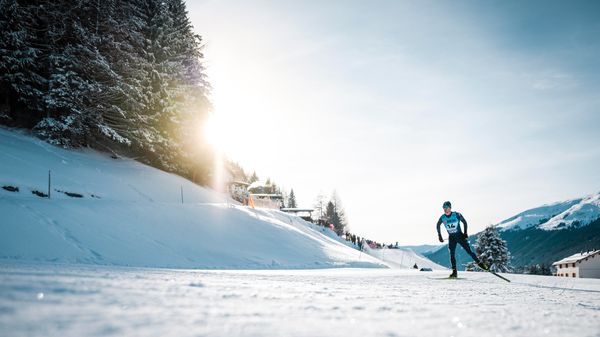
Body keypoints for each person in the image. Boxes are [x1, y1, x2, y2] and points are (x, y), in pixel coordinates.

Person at [436, 201, 488, 278]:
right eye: (444, 208)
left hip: (460, 236)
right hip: (452, 238)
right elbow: (438, 225)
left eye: (446, 208)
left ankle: (481, 264)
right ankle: (454, 272)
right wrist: (439, 235)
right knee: (452, 254)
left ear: (450, 208)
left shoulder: (456, 215)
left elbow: (464, 222)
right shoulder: (442, 217)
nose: (445, 209)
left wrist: (465, 233)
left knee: (469, 251)